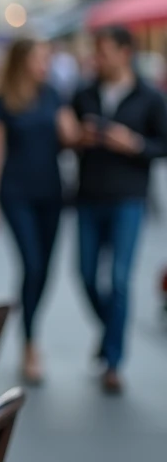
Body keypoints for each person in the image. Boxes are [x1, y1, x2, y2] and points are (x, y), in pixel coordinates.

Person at [72, 26, 167, 393]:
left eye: (105, 51)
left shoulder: (150, 97)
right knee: (85, 275)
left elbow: (162, 144)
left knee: (121, 279)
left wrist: (135, 144)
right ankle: (111, 330)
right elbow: (68, 136)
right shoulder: (84, 93)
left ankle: (113, 362)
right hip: (88, 196)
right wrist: (78, 137)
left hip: (129, 197)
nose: (98, 58)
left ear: (126, 52)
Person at [0, 39, 77, 384]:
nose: (45, 63)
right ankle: (31, 342)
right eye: (39, 57)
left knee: (45, 270)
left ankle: (31, 333)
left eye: (48, 57)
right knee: (32, 265)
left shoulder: (52, 93)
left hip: (51, 193)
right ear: (22, 61)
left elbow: (70, 136)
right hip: (17, 194)